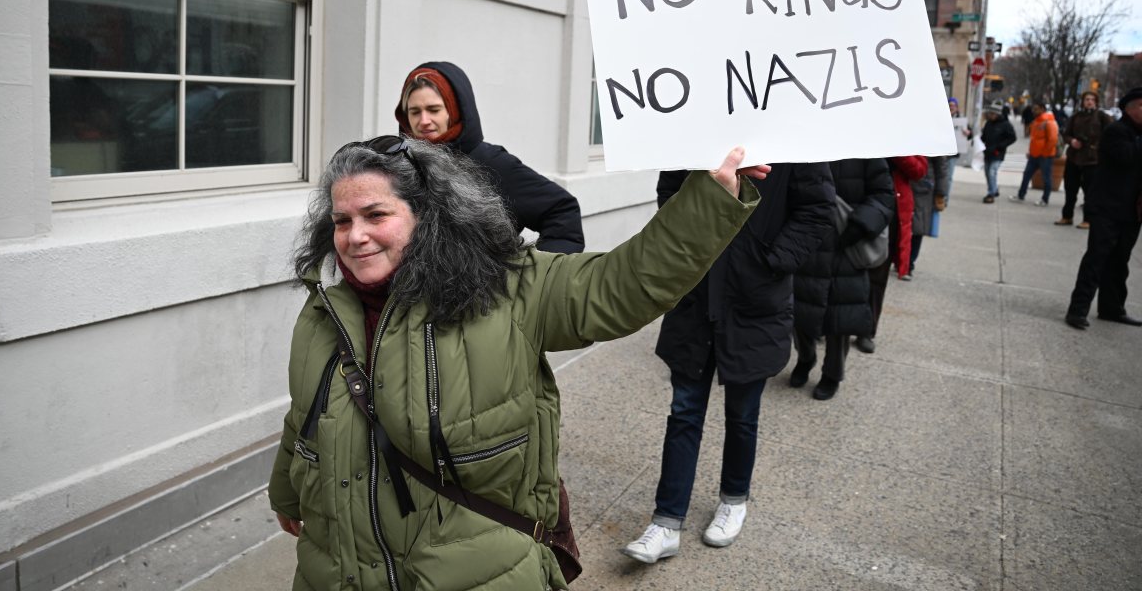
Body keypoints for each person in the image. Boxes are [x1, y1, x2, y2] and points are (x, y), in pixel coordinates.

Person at [267, 136, 768, 590]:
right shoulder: (323, 309)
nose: (355, 236)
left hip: (483, 573)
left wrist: (711, 198)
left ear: (428, 214)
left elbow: (625, 285)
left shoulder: (508, 288)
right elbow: (305, 416)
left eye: (375, 215)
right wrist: (286, 492)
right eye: (342, 221)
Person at [620, 163, 833, 563]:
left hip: (756, 299)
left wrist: (771, 260)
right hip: (696, 294)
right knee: (684, 410)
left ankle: (734, 500)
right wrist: (687, 245)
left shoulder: (793, 142)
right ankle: (666, 521)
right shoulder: (698, 135)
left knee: (742, 414)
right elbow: (670, 192)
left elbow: (817, 210)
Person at [395, 61, 584, 254]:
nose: (424, 121)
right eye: (415, 112)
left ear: (453, 110)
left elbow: (562, 210)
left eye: (434, 110)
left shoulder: (491, 163)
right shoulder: (400, 165)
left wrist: (541, 269)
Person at [790, 159, 894, 400]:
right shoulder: (803, 144)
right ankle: (805, 357)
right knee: (799, 309)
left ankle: (833, 373)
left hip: (847, 242)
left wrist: (861, 225)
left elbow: (883, 194)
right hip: (808, 240)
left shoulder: (866, 149)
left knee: (841, 316)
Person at [1064, 88, 1142, 330]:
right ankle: (1077, 310)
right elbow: (1127, 157)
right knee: (1097, 258)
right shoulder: (1117, 131)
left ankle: (1112, 308)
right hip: (1108, 207)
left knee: (1120, 261)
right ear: (1130, 108)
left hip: (1132, 210)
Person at [864, 156, 928, 353]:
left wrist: (897, 153)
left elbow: (919, 170)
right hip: (858, 200)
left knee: (877, 277)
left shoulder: (906, 141)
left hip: (891, 210)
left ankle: (866, 330)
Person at [1056, 91, 1114, 228]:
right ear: (1083, 101)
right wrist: (1072, 141)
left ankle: (1088, 219)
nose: (1089, 102)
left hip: (1092, 159)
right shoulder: (1076, 116)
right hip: (1074, 156)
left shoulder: (1102, 116)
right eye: (1087, 99)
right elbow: (1066, 134)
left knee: (1090, 191)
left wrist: (1099, 147)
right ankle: (1067, 216)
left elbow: (1111, 134)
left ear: (1096, 102)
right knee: (1070, 189)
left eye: (1092, 99)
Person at [1010, 102, 1059, 206]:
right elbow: (1034, 139)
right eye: (1033, 109)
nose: (1033, 111)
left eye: (1036, 109)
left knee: (1046, 177)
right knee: (1027, 175)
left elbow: (1052, 139)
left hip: (1045, 155)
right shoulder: (1036, 121)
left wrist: (1045, 153)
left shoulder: (1049, 121)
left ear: (1042, 109)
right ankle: (1021, 195)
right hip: (1035, 154)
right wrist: (1031, 152)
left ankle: (1045, 199)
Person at [980, 106, 1017, 203]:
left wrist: (1001, 146)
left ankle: (991, 193)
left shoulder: (1005, 124)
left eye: (993, 114)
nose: (990, 115)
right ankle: (994, 189)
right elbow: (984, 136)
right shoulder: (988, 123)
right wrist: (979, 141)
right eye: (990, 113)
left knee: (992, 172)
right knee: (987, 172)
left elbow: (1012, 138)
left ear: (997, 114)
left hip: (998, 152)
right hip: (988, 152)